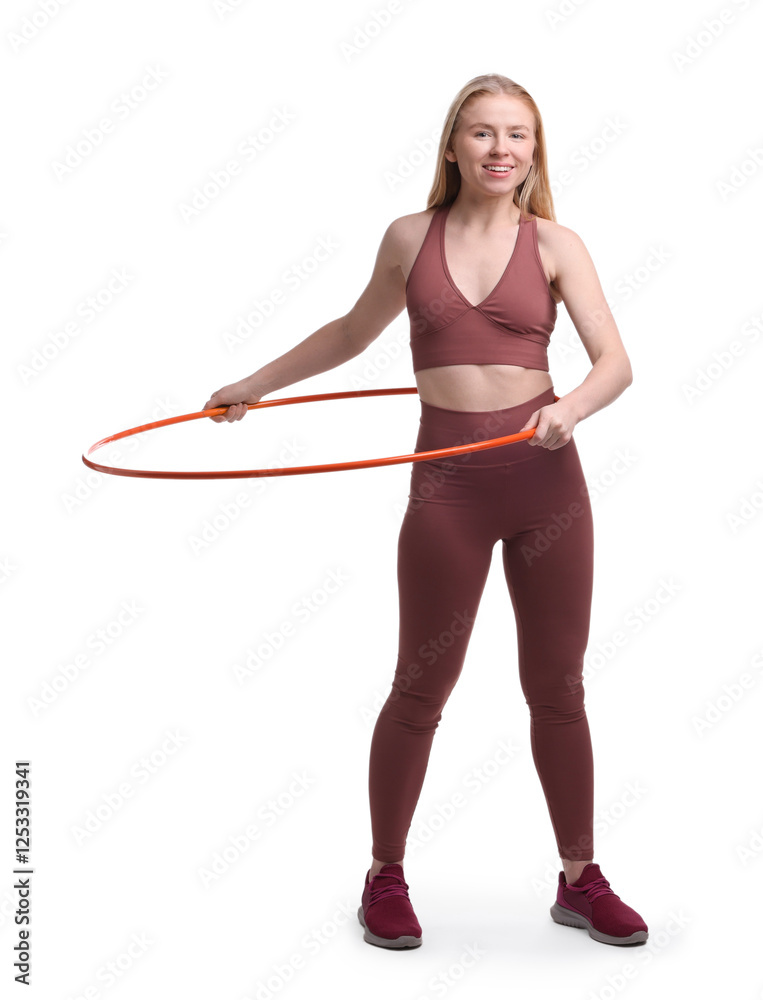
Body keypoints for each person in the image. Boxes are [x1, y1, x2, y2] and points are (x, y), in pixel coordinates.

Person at [203, 73, 648, 951]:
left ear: (535, 151)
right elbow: (349, 332)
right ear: (452, 146)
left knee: (557, 688)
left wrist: (566, 411)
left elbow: (615, 363)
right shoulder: (411, 237)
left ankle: (579, 877)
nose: (499, 150)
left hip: (545, 480)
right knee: (420, 684)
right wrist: (254, 387)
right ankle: (384, 877)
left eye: (516, 135)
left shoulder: (557, 243)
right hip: (446, 487)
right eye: (481, 134)